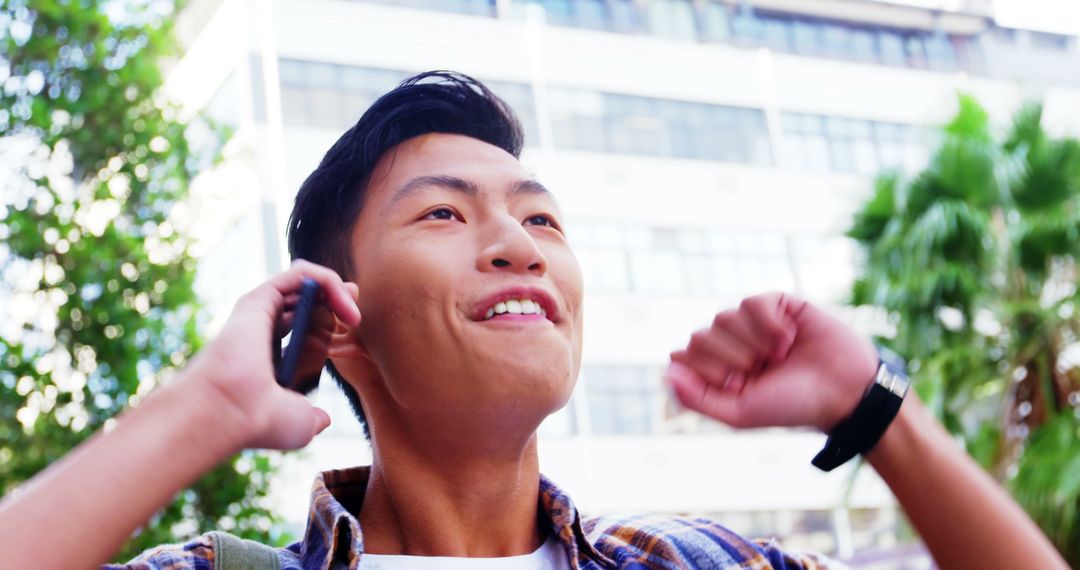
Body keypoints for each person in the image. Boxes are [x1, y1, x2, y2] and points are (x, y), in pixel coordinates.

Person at [0, 71, 1066, 570]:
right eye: (445, 214)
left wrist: (875, 412)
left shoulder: (690, 566)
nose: (520, 245)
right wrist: (208, 406)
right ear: (342, 322)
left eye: (541, 216)